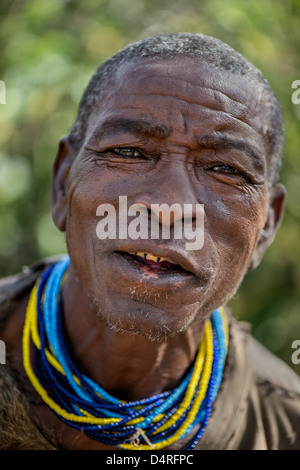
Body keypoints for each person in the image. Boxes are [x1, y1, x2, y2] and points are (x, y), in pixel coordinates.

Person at [0, 32, 300, 451]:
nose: (170, 206)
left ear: (266, 226)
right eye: (129, 151)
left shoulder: (283, 428)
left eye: (223, 168)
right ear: (63, 183)